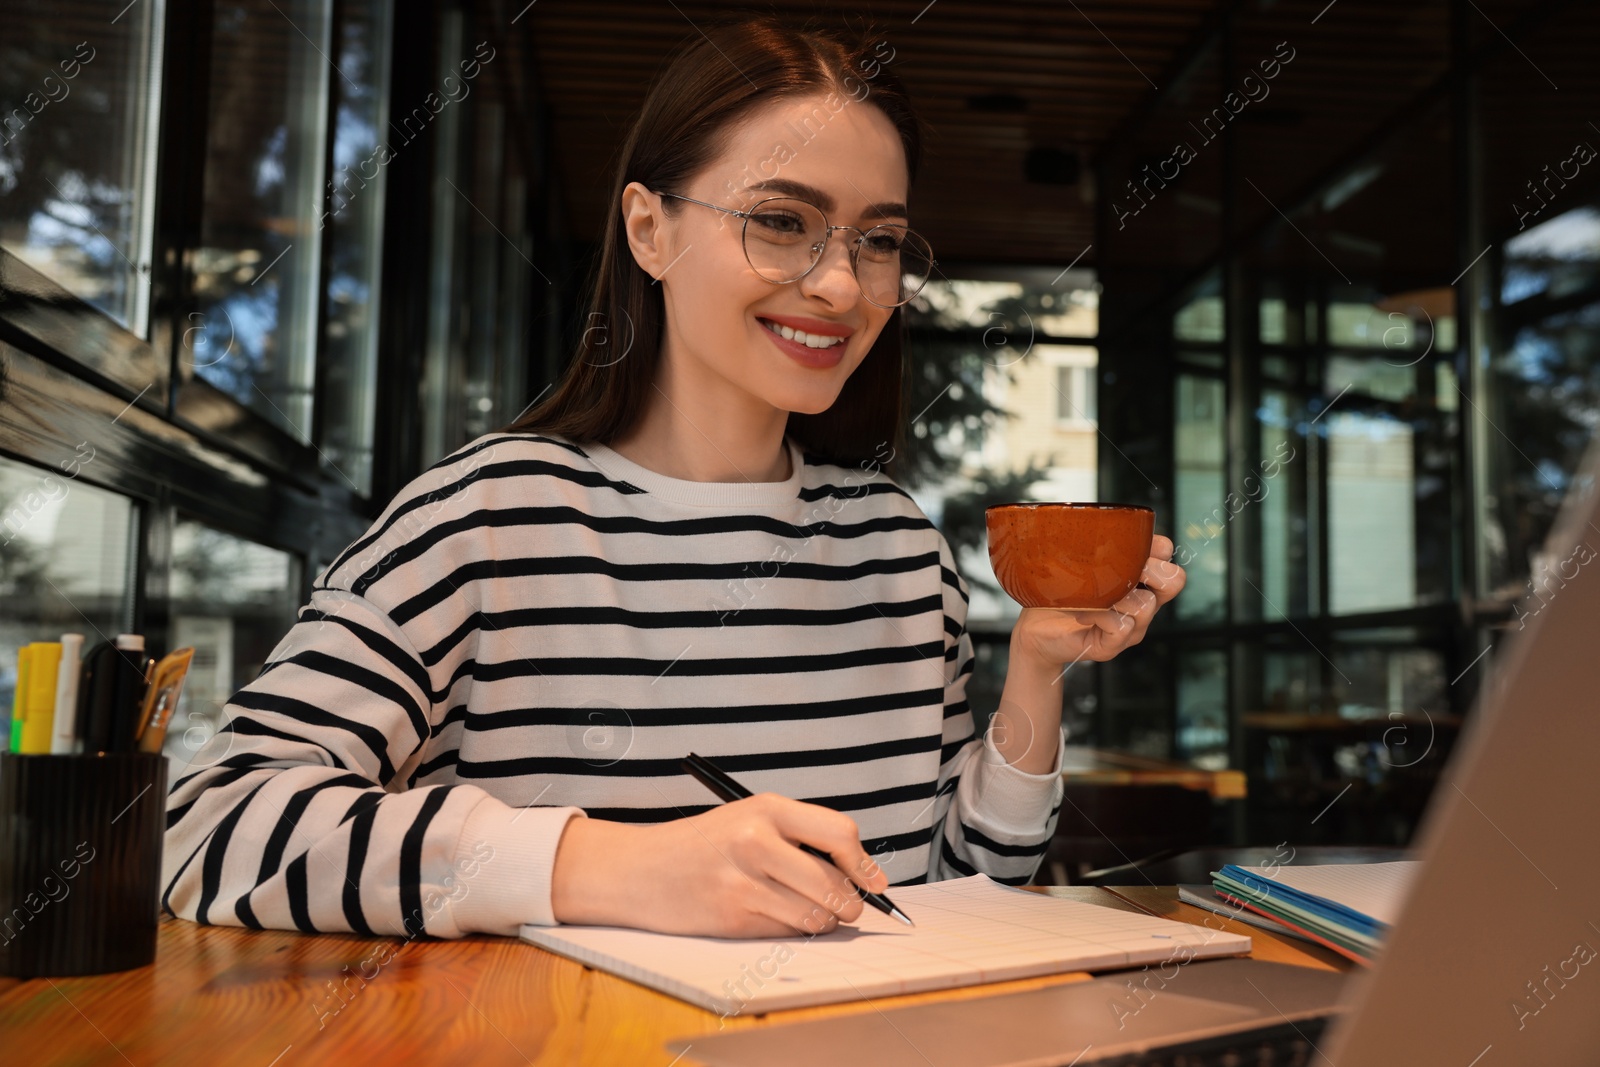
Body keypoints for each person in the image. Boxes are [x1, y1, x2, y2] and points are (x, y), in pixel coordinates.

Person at [161, 17, 1184, 942]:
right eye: (782, 219)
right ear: (648, 229)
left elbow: (955, 888)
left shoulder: (900, 549)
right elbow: (206, 825)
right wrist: (613, 861)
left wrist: (1038, 673)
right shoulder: (488, 519)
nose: (840, 284)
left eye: (876, 240)